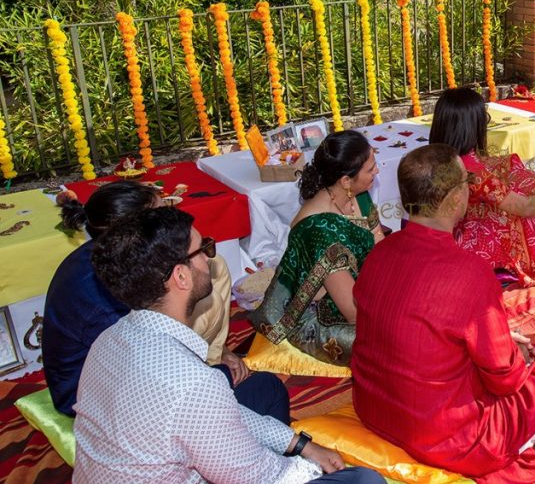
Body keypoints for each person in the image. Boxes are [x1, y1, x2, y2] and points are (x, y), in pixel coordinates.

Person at [74, 207, 381, 484]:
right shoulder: (193, 385)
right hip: (232, 471)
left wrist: (301, 444)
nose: (209, 258)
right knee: (365, 481)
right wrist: (312, 464)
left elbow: (212, 413)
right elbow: (260, 476)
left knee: (264, 388)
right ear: (180, 276)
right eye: (202, 249)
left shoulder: (110, 339)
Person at [352, 144, 535, 477]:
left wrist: (494, 339)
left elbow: (419, 327)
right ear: (456, 198)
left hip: (374, 408)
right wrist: (512, 353)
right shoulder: (469, 272)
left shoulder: (379, 254)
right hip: (450, 437)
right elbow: (506, 381)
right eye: (466, 184)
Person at [42, 181, 249, 417]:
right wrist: (217, 377)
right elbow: (141, 362)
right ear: (136, 231)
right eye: (160, 214)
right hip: (90, 393)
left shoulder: (116, 255)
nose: (170, 219)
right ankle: (208, 373)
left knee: (210, 267)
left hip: (128, 361)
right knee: (262, 391)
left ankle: (210, 360)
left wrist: (221, 350)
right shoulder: (102, 286)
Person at [252, 131, 383, 364]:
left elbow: (380, 246)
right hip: (326, 315)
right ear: (345, 180)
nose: (377, 172)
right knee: (392, 339)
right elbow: (354, 313)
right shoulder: (317, 229)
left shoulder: (358, 194)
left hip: (369, 292)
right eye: (371, 169)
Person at [428, 86, 535, 286]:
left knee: (514, 176)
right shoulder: (472, 170)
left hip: (434, 232)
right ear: (473, 127)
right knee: (524, 217)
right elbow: (523, 207)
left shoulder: (430, 157)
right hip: (460, 241)